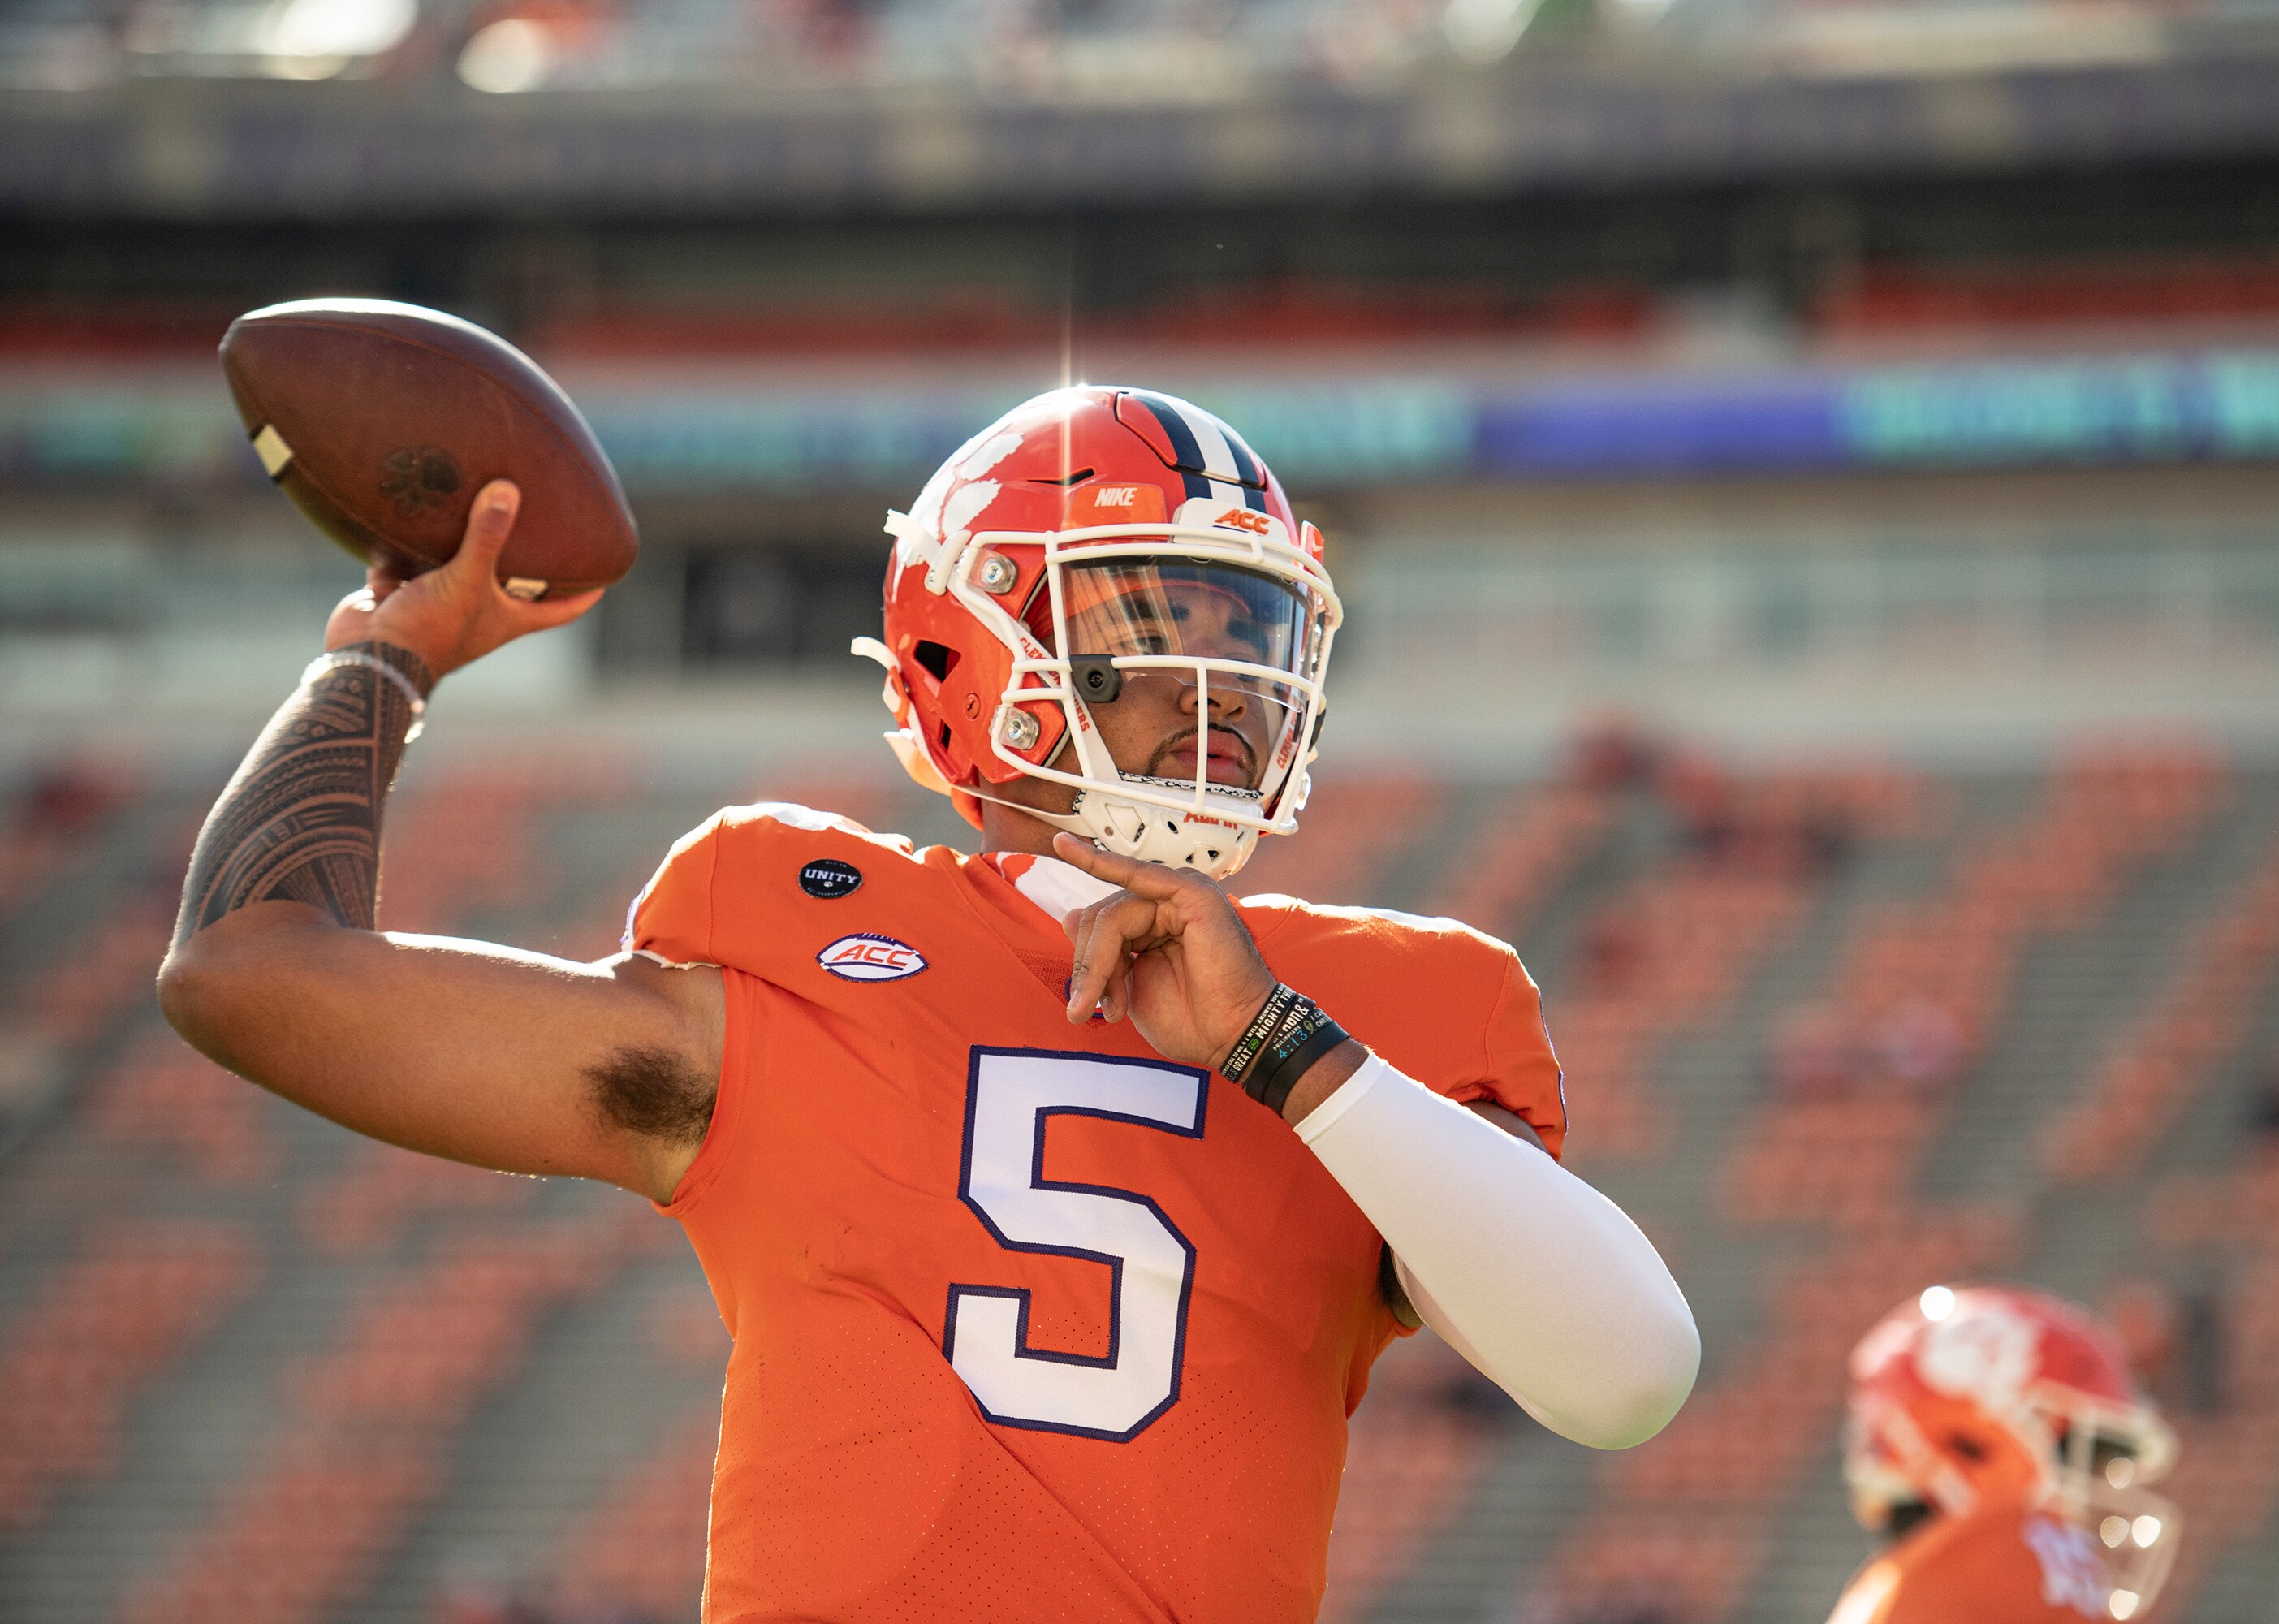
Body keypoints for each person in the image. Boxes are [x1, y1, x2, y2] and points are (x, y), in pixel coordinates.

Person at [158, 385, 1700, 1622]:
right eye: (1160, 624)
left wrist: (1282, 1050)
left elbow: (1628, 1378)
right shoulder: (801, 946)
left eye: (1253, 630)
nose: (1224, 686)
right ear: (971, 644)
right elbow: (251, 976)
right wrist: (380, 661)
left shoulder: (1377, 1009)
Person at [1829, 1284, 2180, 1624]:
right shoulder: (1956, 1590)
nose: (2091, 1495)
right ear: (1965, 1446)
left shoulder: (1893, 1597)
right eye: (2070, 1456)